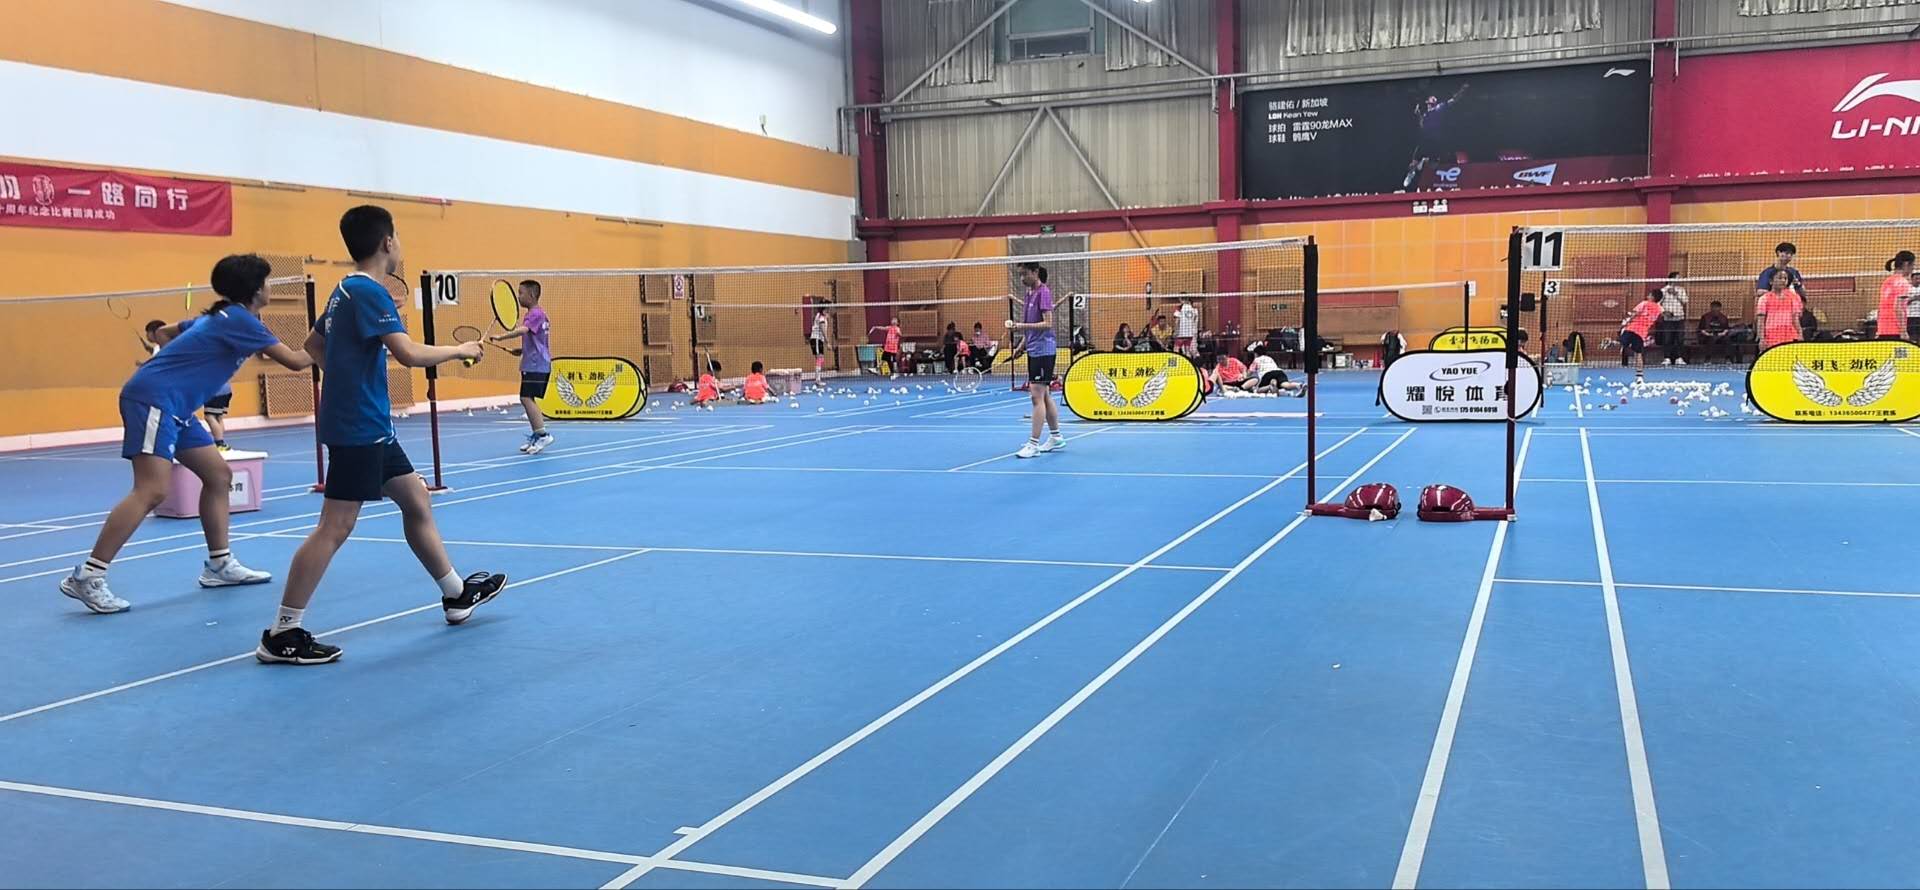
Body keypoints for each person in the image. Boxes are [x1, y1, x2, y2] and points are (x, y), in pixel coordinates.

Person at [257, 205, 504, 665]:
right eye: (398, 238)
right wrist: (459, 350)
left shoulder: (343, 290)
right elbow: (407, 354)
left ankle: (455, 594)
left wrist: (348, 378)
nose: (400, 245)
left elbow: (313, 346)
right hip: (359, 428)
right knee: (335, 526)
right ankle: (282, 633)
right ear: (388, 242)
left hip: (370, 425)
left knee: (416, 499)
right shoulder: (370, 292)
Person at [60, 254, 315, 615]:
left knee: (219, 475)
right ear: (255, 289)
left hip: (177, 407)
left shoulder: (217, 317)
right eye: (267, 281)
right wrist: (330, 334)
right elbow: (297, 361)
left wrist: (172, 362)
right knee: (151, 490)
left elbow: (164, 333)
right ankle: (88, 575)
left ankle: (219, 565)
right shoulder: (240, 319)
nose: (270, 287)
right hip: (154, 400)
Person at [147, 317, 236, 449]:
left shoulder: (176, 348)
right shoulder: (208, 354)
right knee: (218, 417)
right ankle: (221, 442)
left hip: (214, 390)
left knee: (210, 417)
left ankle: (220, 443)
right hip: (226, 389)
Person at [488, 279, 552, 454]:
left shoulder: (535, 314)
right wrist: (521, 350)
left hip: (535, 365)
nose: (518, 296)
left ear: (531, 295)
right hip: (535, 363)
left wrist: (502, 336)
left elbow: (523, 330)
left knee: (525, 398)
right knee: (528, 398)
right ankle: (537, 434)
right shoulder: (538, 314)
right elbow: (537, 340)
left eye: (521, 293)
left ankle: (543, 435)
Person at [1007, 263, 1063, 459]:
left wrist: (1020, 326)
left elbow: (1048, 323)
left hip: (1044, 350)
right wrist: (1021, 347)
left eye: (1025, 274)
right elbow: (1031, 327)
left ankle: (1033, 444)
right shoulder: (1029, 294)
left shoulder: (1043, 292)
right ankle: (1056, 437)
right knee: (1045, 395)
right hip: (1033, 349)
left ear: (1035, 272)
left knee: (1036, 397)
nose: (1022, 279)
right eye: (1020, 275)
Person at [1402, 83, 1469, 191]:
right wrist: (1418, 115)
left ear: (1434, 104)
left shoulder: (1440, 108)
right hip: (1424, 142)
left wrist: (1462, 91)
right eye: (1428, 104)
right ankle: (1411, 173)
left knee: (1433, 166)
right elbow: (1422, 125)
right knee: (1412, 164)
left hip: (1435, 143)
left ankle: (1425, 160)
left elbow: (1453, 100)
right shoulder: (1425, 114)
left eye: (1431, 104)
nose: (1429, 105)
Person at [1755, 268, 1805, 350]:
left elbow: (1795, 319)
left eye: (1785, 278)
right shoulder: (1764, 299)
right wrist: (1762, 339)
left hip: (1789, 335)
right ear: (1771, 281)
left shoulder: (1793, 297)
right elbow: (1761, 321)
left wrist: (1800, 334)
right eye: (1780, 278)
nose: (1783, 281)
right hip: (1771, 336)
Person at [1619, 290, 1662, 378]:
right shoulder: (1659, 309)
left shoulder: (1644, 303)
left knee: (1622, 343)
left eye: (1649, 294)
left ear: (1652, 297)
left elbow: (1635, 314)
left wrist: (1626, 322)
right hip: (1642, 333)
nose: (1648, 296)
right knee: (1638, 353)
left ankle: (1612, 343)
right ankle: (1639, 375)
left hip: (1632, 328)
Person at [1876, 251, 1915, 340]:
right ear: (1906, 264)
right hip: (1895, 331)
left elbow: (1880, 308)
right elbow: (1898, 307)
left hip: (1883, 331)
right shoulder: (1902, 282)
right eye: (1913, 265)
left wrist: (1878, 330)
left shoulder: (1887, 281)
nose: (1913, 268)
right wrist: (1903, 332)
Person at [1658, 272, 1690, 365]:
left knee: (1680, 339)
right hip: (1668, 319)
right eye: (1678, 277)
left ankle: (1679, 358)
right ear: (1672, 279)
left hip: (1679, 318)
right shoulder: (1663, 290)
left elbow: (1685, 301)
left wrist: (1676, 294)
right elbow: (1657, 303)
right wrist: (1664, 312)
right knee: (1667, 339)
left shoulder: (1681, 290)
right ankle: (1667, 358)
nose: (1679, 279)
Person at [807, 307, 829, 384]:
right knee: (819, 358)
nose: (828, 311)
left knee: (821, 359)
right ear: (823, 310)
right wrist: (827, 342)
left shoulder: (820, 316)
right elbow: (823, 330)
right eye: (826, 310)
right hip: (816, 339)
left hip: (819, 340)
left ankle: (818, 378)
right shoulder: (821, 318)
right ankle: (818, 380)